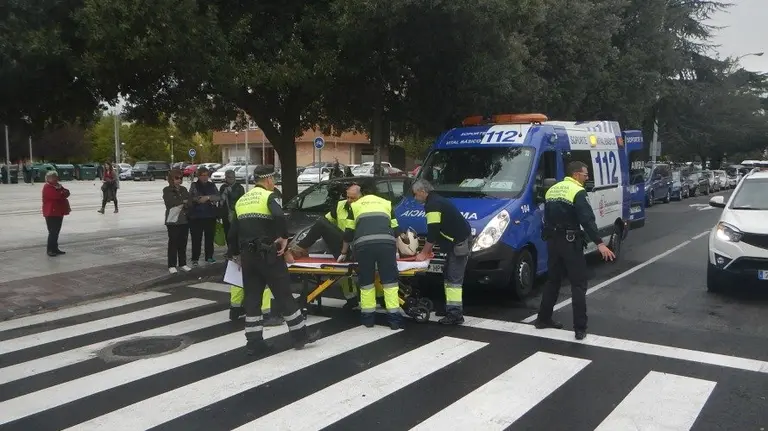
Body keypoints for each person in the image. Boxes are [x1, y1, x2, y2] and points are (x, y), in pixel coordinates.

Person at [228, 165, 320, 355]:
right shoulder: (268, 197)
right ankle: (300, 336)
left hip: (248, 257)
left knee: (252, 299)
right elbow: (279, 216)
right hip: (268, 254)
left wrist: (234, 253)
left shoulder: (242, 200)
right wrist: (284, 237)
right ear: (268, 179)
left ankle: (254, 343)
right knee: (284, 295)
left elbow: (233, 231)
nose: (275, 183)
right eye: (274, 179)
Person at [534, 161, 616, 340]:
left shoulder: (552, 190)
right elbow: (587, 220)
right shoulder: (577, 191)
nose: (587, 178)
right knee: (578, 284)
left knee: (553, 281)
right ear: (576, 174)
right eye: (585, 175)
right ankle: (580, 328)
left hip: (553, 242)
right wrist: (600, 243)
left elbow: (546, 217)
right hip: (570, 242)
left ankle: (543, 319)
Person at [285, 184, 362, 308]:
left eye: (353, 198)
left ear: (361, 197)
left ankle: (299, 249)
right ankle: (351, 298)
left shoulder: (364, 209)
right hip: (344, 248)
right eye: (348, 197)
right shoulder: (341, 206)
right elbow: (326, 224)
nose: (349, 200)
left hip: (357, 249)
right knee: (322, 223)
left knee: (321, 224)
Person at [341, 190, 407, 329]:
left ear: (362, 195)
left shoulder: (355, 206)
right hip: (386, 245)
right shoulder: (386, 204)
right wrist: (399, 249)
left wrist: (344, 252)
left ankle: (368, 320)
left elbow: (349, 233)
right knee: (390, 282)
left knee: (367, 282)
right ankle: (394, 321)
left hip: (364, 247)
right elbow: (396, 230)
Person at [412, 179, 471, 325]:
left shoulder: (432, 205)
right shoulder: (436, 201)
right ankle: (450, 308)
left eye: (415, 194)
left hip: (459, 243)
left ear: (422, 192)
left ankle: (455, 314)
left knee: (454, 280)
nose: (415, 198)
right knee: (448, 275)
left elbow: (433, 232)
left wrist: (424, 253)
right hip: (456, 241)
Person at [162, 169, 193, 274]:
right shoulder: (167, 190)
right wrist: (183, 201)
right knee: (173, 242)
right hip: (173, 220)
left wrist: (185, 202)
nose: (179, 180)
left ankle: (183, 263)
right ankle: (171, 265)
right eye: (176, 178)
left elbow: (190, 201)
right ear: (171, 179)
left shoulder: (183, 189)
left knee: (183, 243)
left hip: (184, 219)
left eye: (180, 178)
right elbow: (170, 202)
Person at [188, 166, 220, 266]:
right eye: (202, 175)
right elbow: (190, 198)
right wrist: (198, 199)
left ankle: (209, 256)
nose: (205, 177)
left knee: (209, 238)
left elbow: (218, 196)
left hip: (210, 215)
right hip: (196, 216)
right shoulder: (194, 185)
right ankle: (195, 258)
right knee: (196, 239)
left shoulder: (212, 185)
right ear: (198, 176)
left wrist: (208, 197)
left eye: (206, 175)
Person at [41, 170, 71, 257]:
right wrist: (61, 192)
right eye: (53, 177)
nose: (55, 179)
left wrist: (61, 191)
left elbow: (67, 192)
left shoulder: (57, 186)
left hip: (58, 212)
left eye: (56, 177)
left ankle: (55, 248)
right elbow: (57, 196)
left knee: (56, 231)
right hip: (51, 212)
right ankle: (50, 249)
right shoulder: (47, 187)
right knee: (52, 232)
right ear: (48, 178)